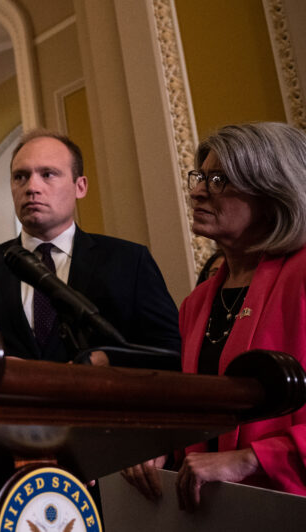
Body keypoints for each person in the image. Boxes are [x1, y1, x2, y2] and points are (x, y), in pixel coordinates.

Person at [122, 122, 306, 508]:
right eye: (200, 177)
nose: (197, 192)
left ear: (272, 193)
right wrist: (160, 448)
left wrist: (252, 459)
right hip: (215, 511)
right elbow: (199, 418)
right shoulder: (197, 302)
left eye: (219, 180)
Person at [0, 130, 180, 365]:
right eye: (20, 177)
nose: (32, 187)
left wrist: (106, 359)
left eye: (48, 174)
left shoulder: (128, 261)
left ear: (80, 186)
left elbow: (171, 351)